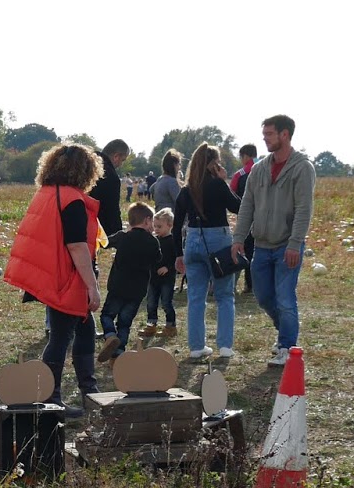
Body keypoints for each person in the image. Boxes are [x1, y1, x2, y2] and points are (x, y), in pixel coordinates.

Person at [2, 143, 103, 419]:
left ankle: (89, 393)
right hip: (66, 278)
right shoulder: (72, 200)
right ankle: (52, 398)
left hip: (51, 275)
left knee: (83, 330)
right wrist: (92, 286)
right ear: (86, 171)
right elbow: (76, 245)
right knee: (61, 336)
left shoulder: (46, 194)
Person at [233, 114, 315, 368]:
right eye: (264, 134)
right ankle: (285, 335)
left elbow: (304, 209)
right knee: (263, 297)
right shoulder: (259, 169)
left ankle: (287, 347)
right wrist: (238, 238)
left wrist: (295, 243)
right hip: (262, 245)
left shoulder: (302, 168)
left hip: (287, 245)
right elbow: (247, 205)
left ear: (285, 135)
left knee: (285, 297)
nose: (265, 139)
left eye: (269, 134)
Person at [172, 143, 244, 359]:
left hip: (193, 240)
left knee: (195, 297)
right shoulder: (218, 186)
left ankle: (196, 347)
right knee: (224, 295)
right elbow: (237, 207)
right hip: (218, 239)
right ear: (213, 164)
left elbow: (176, 226)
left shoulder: (186, 190)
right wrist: (224, 181)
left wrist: (178, 253)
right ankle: (225, 346)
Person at [97, 203, 162, 362]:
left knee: (107, 315)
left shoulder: (122, 237)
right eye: (152, 222)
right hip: (137, 291)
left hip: (117, 287)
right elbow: (157, 261)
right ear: (147, 221)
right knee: (124, 323)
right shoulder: (152, 242)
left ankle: (110, 336)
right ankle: (118, 354)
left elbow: (103, 242)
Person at [140, 208, 179, 340]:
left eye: (159, 226)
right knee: (151, 302)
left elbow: (176, 258)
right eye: (155, 226)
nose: (156, 229)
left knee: (166, 302)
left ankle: (170, 326)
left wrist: (168, 267)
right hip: (153, 278)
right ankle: (151, 324)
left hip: (167, 279)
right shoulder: (154, 240)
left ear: (170, 225)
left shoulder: (173, 241)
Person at [230, 143, 259, 293]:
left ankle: (247, 284)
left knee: (244, 251)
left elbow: (231, 194)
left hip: (245, 218)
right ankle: (255, 284)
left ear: (245, 156)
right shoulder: (265, 170)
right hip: (263, 218)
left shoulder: (239, 174)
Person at [90, 139, 130, 239]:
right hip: (97, 227)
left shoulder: (86, 165)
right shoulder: (111, 176)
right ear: (116, 156)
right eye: (122, 160)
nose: (121, 164)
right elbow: (112, 210)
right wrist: (117, 235)